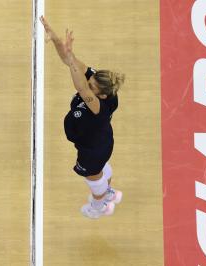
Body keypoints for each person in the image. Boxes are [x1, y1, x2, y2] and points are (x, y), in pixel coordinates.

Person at [40, 16, 125, 219]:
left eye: (92, 86)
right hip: (100, 141)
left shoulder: (102, 106)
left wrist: (71, 61)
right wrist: (57, 42)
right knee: (102, 169)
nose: (89, 84)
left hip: (92, 149)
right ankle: (108, 193)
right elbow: (70, 61)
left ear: (102, 95)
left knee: (92, 175)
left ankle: (99, 206)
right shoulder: (99, 83)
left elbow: (81, 86)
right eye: (90, 80)